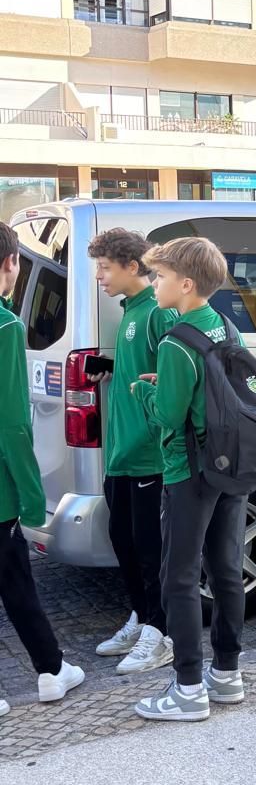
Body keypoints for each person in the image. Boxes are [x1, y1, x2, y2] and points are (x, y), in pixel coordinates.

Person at [130, 237, 245, 724]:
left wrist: (144, 392)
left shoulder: (177, 340)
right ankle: (227, 674)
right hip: (230, 467)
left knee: (178, 577)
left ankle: (188, 688)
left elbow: (170, 416)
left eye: (159, 276)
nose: (155, 283)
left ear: (186, 283)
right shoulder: (226, 327)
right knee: (226, 570)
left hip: (188, 471)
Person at [0, 221, 84, 712]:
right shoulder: (6, 326)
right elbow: (11, 423)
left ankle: (52, 667)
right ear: (12, 263)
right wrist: (33, 499)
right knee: (14, 579)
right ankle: (51, 671)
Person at [87, 228, 177, 674]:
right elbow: (140, 372)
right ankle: (142, 620)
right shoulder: (129, 313)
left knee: (149, 548)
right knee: (122, 539)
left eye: (105, 268)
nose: (99, 277)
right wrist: (111, 370)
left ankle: (163, 634)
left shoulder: (157, 313)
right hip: (121, 453)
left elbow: (173, 381)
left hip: (149, 454)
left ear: (131, 266)